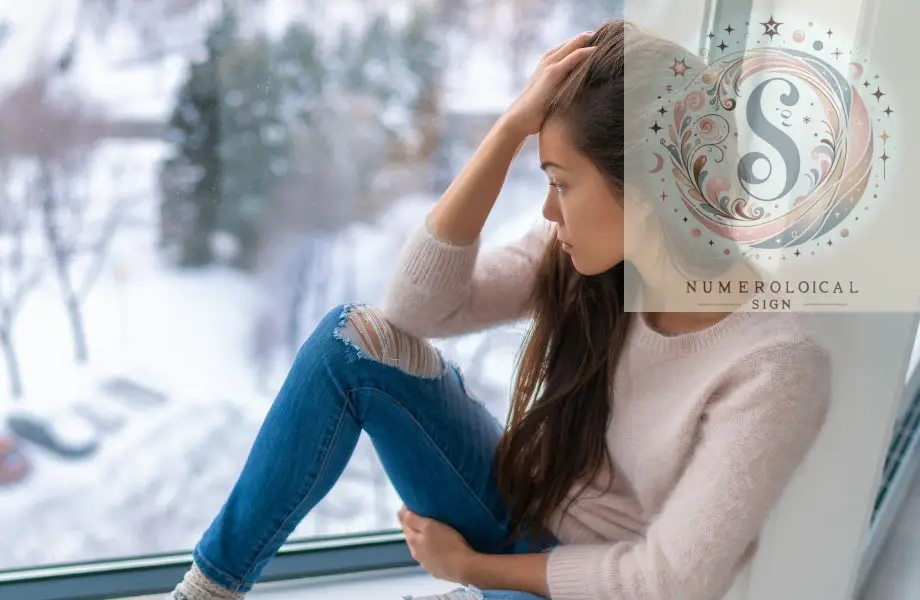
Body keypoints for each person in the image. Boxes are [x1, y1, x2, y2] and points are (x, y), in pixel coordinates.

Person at [166, 19, 832, 600]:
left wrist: (475, 568)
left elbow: (667, 584)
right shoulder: (584, 258)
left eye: (562, 184)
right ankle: (206, 592)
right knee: (352, 341)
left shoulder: (772, 366)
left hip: (592, 587)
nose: (548, 211)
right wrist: (513, 126)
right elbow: (416, 309)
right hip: (519, 510)